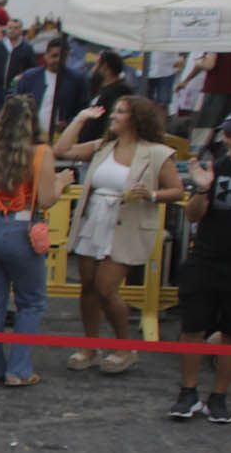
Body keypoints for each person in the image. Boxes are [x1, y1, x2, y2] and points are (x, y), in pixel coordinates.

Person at [54, 95, 184, 371]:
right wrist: (81, 118)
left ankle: (125, 347)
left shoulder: (157, 152)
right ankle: (90, 347)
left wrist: (151, 194)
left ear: (136, 119)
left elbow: (177, 190)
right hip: (94, 219)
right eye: (113, 111)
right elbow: (61, 149)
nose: (113, 116)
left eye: (120, 112)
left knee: (105, 288)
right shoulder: (103, 146)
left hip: (127, 223)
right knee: (87, 285)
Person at [171, 109, 231, 421]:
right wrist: (201, 188)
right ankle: (188, 392)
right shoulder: (216, 167)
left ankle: (219, 396)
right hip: (206, 259)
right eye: (229, 133)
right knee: (192, 326)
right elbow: (193, 216)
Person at [0, 99, 60, 388]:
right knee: (31, 301)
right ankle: (18, 369)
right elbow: (46, 198)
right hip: (21, 228)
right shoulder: (40, 152)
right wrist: (62, 183)